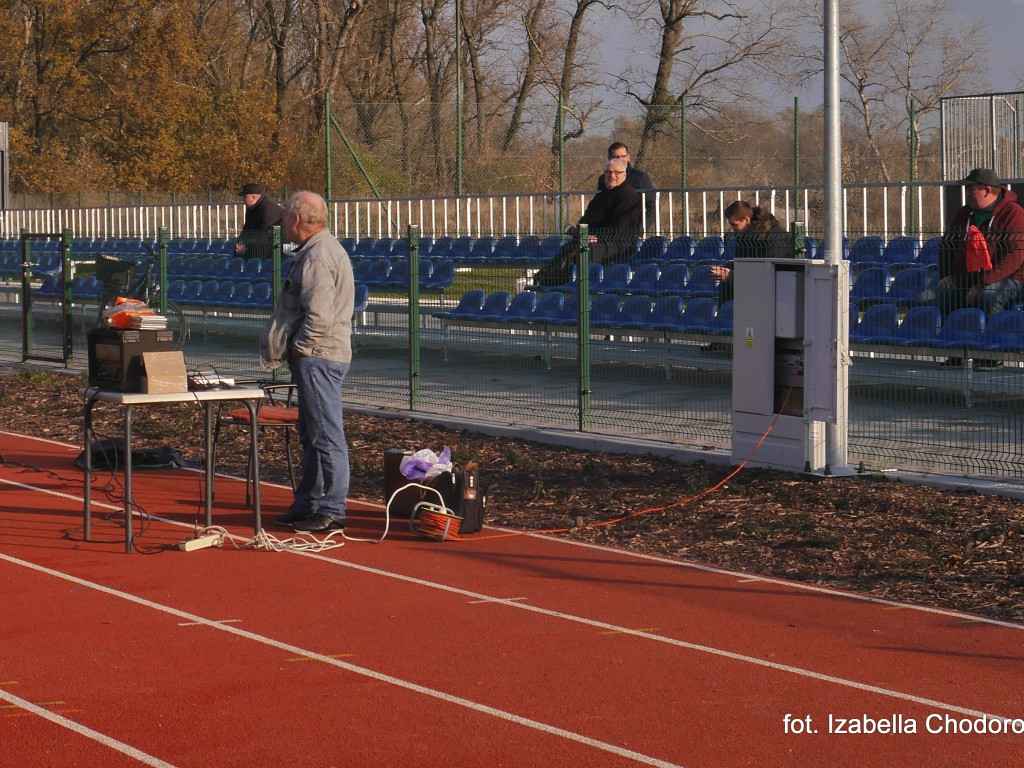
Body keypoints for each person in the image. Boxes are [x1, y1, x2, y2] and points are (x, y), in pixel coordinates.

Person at [259, 191, 354, 532]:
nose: (282, 222)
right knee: (312, 434)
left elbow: (319, 315)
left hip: (319, 357)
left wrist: (300, 347)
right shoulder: (319, 250)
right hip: (319, 356)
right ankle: (309, 503)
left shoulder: (317, 256)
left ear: (296, 220)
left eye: (285, 216)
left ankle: (332, 508)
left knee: (326, 434)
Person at [933, 168, 1024, 370]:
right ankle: (955, 353)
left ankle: (992, 354)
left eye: (971, 188)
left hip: (1010, 281)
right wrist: (947, 275)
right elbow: (946, 245)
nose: (966, 192)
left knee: (990, 295)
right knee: (941, 294)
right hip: (968, 280)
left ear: (986, 190)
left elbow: (1015, 257)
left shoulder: (1014, 214)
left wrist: (982, 284)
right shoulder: (965, 213)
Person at [533, 158, 643, 287]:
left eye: (616, 172)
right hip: (598, 242)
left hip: (620, 244)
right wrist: (582, 233)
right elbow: (586, 221)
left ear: (624, 175)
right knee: (568, 247)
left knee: (578, 251)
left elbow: (620, 228)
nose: (612, 175)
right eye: (608, 172)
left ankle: (553, 283)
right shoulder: (601, 196)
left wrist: (596, 237)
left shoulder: (628, 195)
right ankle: (548, 279)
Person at [711, 200, 791, 306]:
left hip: (777, 292)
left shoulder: (774, 238)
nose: (732, 229)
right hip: (756, 286)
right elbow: (742, 263)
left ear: (747, 220)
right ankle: (727, 317)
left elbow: (768, 274)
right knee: (728, 284)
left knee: (730, 281)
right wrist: (725, 270)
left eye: (734, 225)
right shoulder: (746, 238)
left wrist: (733, 276)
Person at [596, 142, 655, 225]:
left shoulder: (640, 178)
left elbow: (652, 207)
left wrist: (641, 229)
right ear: (609, 158)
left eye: (623, 156)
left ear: (628, 157)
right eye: (615, 157)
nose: (620, 159)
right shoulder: (603, 179)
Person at [236, 183, 285, 261]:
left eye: (245, 197)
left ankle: (256, 271)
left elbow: (266, 233)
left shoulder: (267, 209)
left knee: (257, 248)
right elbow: (246, 228)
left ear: (253, 197)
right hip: (260, 240)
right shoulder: (251, 209)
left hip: (276, 242)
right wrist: (240, 242)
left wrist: (247, 244)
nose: (242, 200)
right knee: (237, 250)